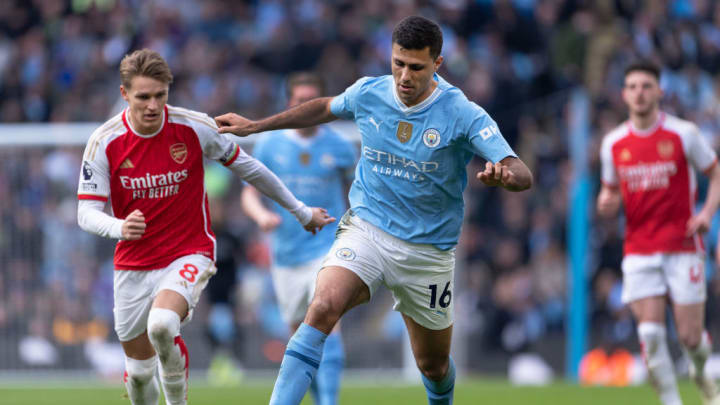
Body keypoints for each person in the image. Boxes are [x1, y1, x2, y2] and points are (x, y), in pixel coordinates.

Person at [216, 16, 532, 404]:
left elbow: (521, 172)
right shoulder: (370, 92)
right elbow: (322, 109)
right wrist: (257, 126)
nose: (403, 76)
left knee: (432, 365)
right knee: (322, 306)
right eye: (397, 63)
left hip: (427, 252)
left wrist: (504, 175)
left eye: (415, 67)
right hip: (368, 230)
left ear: (438, 64)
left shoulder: (462, 113)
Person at [76, 49, 333, 405]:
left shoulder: (193, 126)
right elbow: (86, 213)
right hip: (133, 263)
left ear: (168, 91)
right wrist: (119, 227)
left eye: (160, 95)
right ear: (124, 94)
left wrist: (301, 211)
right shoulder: (105, 141)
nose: (152, 105)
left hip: (189, 251)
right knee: (137, 374)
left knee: (163, 325)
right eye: (143, 97)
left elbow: (251, 168)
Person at [597, 61, 720, 405]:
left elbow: (716, 173)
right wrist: (606, 201)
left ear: (659, 91)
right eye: (633, 86)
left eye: (646, 86)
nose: (639, 93)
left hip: (683, 246)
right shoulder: (613, 143)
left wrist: (707, 213)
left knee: (690, 338)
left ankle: (702, 374)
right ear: (624, 94)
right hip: (639, 249)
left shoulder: (684, 134)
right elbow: (609, 192)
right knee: (650, 335)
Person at [241, 72, 356, 405]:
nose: (304, 105)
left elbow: (357, 193)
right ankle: (321, 398)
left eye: (311, 99)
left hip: (328, 247)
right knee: (301, 339)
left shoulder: (339, 146)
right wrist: (261, 216)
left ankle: (329, 401)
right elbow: (249, 195)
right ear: (288, 103)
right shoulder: (269, 144)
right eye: (298, 100)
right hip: (286, 253)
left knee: (327, 317)